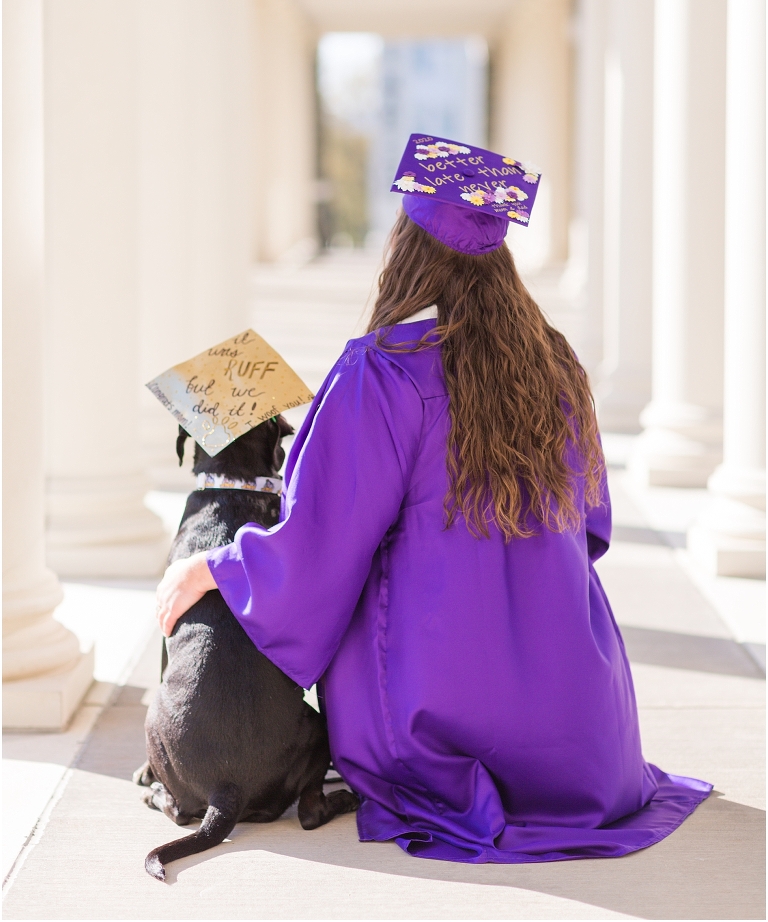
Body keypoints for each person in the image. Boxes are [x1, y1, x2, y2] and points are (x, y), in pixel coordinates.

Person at [156, 191, 711, 864]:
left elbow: (319, 547)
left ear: (405, 257)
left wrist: (214, 565)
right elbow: (590, 529)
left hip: (434, 723)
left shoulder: (381, 371)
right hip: (586, 737)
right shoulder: (558, 365)